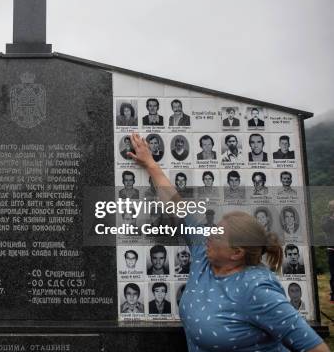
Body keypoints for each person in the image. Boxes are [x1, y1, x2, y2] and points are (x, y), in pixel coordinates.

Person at [124, 132, 328, 352]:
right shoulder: (204, 252)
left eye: (218, 235)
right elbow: (177, 205)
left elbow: (315, 347)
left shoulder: (257, 290)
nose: (209, 235)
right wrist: (150, 164)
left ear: (236, 253)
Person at [321, 200, 334, 302]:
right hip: (331, 249)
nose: (332, 208)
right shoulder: (325, 218)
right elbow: (326, 228)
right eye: (332, 207)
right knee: (333, 273)